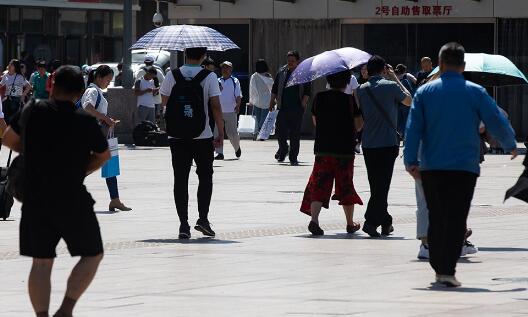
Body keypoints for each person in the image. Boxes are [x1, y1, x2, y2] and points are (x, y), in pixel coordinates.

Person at [404, 42, 517, 287]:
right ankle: (447, 269)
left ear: (440, 64)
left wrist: (410, 160)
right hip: (464, 167)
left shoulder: (424, 93)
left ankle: (438, 266)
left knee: (436, 216)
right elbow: (495, 119)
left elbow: (413, 128)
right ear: (463, 66)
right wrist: (510, 143)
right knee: (456, 216)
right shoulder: (475, 92)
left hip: (432, 166)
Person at [2, 65, 110, 317]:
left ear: (51, 84)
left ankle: (42, 316)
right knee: (92, 255)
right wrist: (81, 169)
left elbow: (8, 138)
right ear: (78, 92)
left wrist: (33, 153)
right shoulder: (84, 119)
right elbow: (103, 155)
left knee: (41, 262)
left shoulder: (34, 110)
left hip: (35, 197)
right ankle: (66, 310)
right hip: (72, 197)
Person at [160, 47, 224, 239]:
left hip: (177, 136)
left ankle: (183, 225)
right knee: (205, 177)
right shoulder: (210, 76)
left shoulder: (172, 75)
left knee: (180, 179)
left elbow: (164, 102)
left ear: (185, 55)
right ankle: (203, 220)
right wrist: (220, 132)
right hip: (202, 135)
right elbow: (215, 107)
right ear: (203, 56)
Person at [300, 70, 364, 236]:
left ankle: (314, 220)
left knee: (319, 183)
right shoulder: (349, 100)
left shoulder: (319, 97)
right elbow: (358, 125)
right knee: (345, 186)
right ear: (345, 83)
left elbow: (316, 121)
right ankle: (350, 223)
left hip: (323, 149)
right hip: (344, 151)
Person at [356, 55, 412, 238]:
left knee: (376, 185)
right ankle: (371, 221)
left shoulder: (360, 90)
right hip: (388, 142)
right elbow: (409, 100)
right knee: (383, 185)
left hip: (369, 144)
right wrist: (395, 78)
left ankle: (385, 221)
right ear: (383, 70)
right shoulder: (391, 86)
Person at [81, 65, 132, 212]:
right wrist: (105, 118)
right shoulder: (92, 91)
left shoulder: (97, 91)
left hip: (100, 135)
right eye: (108, 80)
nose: (109, 83)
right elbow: (87, 107)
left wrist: (107, 120)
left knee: (110, 167)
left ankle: (115, 200)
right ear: (99, 77)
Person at [269, 50, 311, 166]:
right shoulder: (282, 72)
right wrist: (272, 101)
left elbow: (307, 91)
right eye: (288, 61)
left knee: (295, 134)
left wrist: (303, 104)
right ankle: (283, 149)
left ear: (298, 61)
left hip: (296, 108)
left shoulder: (303, 73)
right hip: (283, 107)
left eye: (292, 61)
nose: (290, 63)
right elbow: (275, 88)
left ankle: (293, 157)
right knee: (280, 132)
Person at [214, 61, 242, 160]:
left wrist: (238, 105)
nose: (225, 70)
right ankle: (219, 153)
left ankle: (237, 147)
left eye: (227, 68)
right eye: (223, 68)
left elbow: (238, 95)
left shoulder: (235, 81)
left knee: (232, 133)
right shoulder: (217, 80)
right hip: (219, 111)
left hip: (231, 110)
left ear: (231, 69)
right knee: (217, 133)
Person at [0, 59, 31, 123]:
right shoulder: (5, 75)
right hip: (6, 100)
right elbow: (0, 85)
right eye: (9, 64)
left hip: (16, 100)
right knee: (5, 119)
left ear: (15, 67)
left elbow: (29, 86)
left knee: (13, 120)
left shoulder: (20, 76)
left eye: (11, 64)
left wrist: (23, 96)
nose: (9, 65)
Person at [249, 59, 274, 139]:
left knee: (257, 118)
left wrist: (251, 100)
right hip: (267, 100)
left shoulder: (254, 76)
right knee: (264, 118)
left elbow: (252, 89)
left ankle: (256, 133)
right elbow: (272, 87)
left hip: (257, 100)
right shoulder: (268, 76)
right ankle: (263, 134)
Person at [135, 55, 165, 120]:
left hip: (143, 103)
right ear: (153, 62)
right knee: (153, 121)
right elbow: (163, 83)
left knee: (143, 122)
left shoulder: (140, 72)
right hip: (156, 100)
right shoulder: (158, 71)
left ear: (144, 62)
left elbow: (136, 85)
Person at [394, 64, 416, 138]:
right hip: (407, 100)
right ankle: (405, 136)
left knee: (398, 120)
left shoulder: (394, 77)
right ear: (404, 70)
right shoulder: (407, 75)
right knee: (407, 119)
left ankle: (399, 135)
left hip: (398, 102)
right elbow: (416, 82)